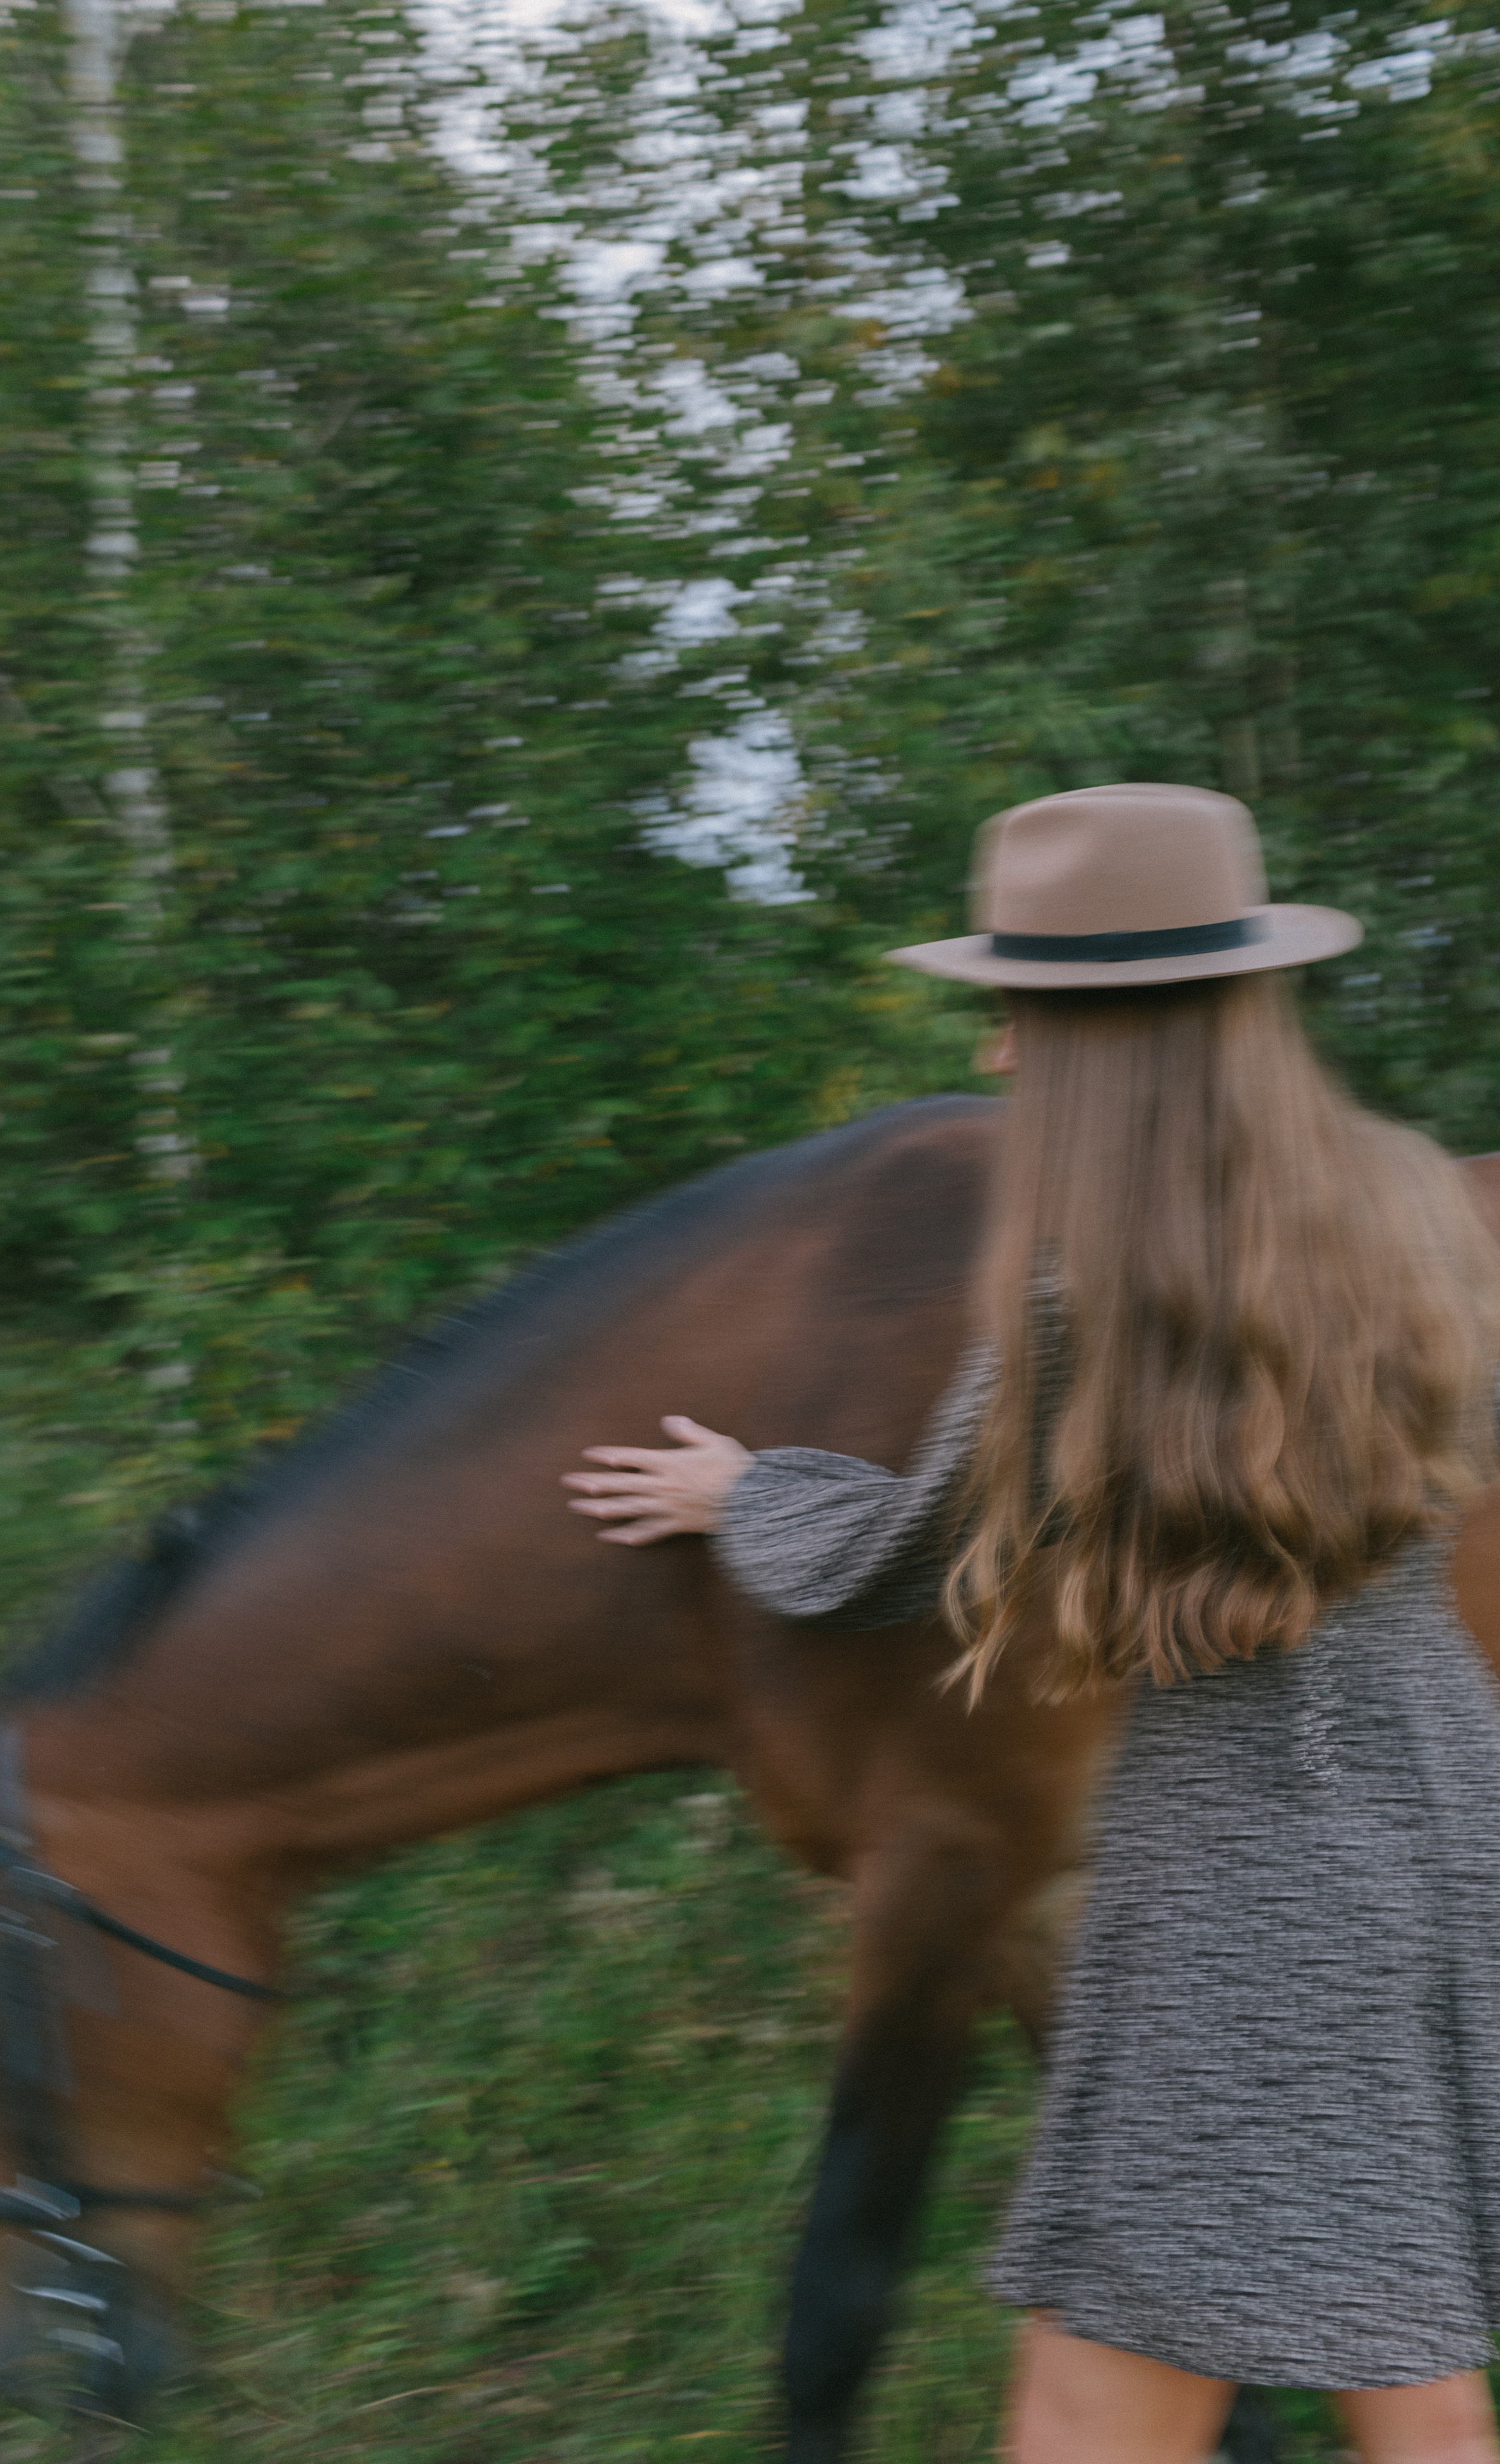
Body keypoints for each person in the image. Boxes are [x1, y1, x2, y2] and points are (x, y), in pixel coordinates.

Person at [561, 783, 1500, 2464]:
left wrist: (741, 1492)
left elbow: (919, 1556)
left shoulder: (1091, 1307)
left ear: (1105, 1036)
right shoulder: (1420, 1203)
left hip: (1244, 1900)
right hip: (1445, 1835)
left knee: (1092, 2408)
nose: (994, 1057)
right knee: (1406, 2356)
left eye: (1015, 1014)